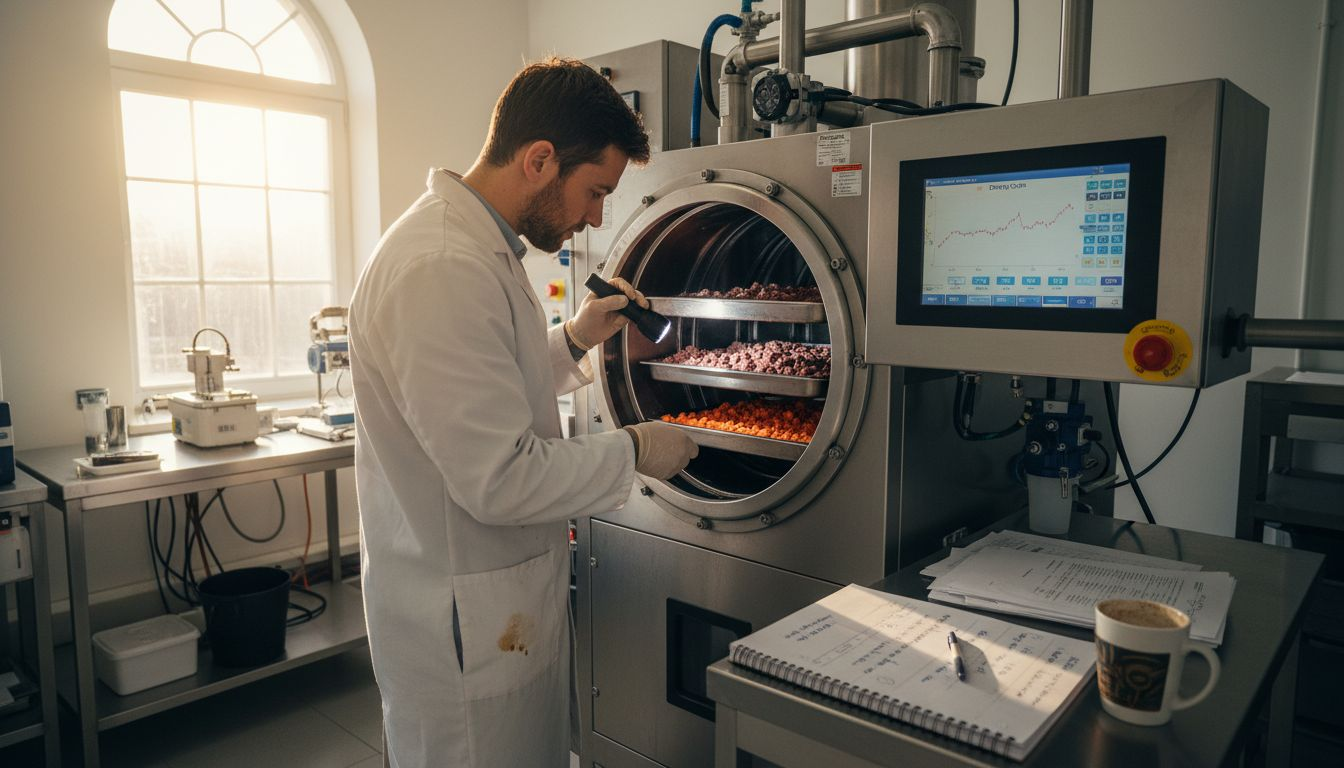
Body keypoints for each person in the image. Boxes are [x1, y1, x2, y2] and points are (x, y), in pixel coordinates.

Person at [348, 58, 698, 768]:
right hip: (461, 630)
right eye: (595, 191)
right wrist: (636, 450)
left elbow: (484, 388)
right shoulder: (442, 264)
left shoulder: (480, 246)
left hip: (493, 611)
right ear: (540, 159)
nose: (598, 216)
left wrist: (574, 338)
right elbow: (500, 476)